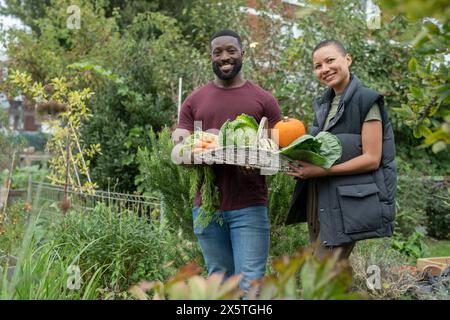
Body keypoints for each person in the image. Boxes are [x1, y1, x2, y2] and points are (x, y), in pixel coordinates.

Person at [172, 30, 281, 292]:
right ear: (210, 57)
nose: (225, 57)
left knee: (250, 283)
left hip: (250, 207)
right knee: (219, 282)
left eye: (231, 50)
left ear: (242, 53)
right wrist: (191, 154)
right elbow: (177, 149)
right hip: (207, 207)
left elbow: (274, 156)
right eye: (217, 52)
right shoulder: (194, 100)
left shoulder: (264, 100)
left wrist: (257, 159)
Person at [285, 39, 397, 262]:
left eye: (330, 60)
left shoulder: (366, 100)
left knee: (322, 273)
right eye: (318, 66)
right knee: (329, 274)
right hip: (321, 196)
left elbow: (372, 159)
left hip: (347, 202)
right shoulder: (324, 105)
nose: (324, 69)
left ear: (348, 59)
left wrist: (320, 171)